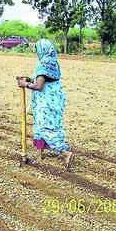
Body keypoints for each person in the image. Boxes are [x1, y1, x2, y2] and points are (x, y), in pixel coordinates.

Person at [16, 39, 73, 168]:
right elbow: (46, 79)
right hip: (54, 99)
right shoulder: (53, 62)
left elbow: (39, 86)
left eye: (37, 50)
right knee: (47, 125)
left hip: (46, 102)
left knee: (44, 127)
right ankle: (40, 153)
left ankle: (65, 153)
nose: (36, 52)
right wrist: (29, 79)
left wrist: (25, 84)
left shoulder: (43, 64)